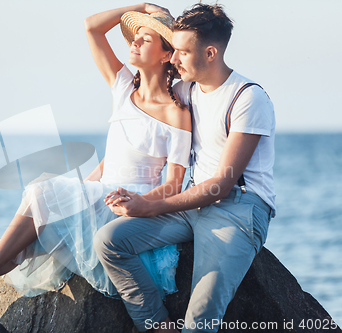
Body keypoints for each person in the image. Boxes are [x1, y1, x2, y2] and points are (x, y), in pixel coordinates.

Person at [0, 3, 192, 305]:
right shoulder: (123, 86)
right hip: (99, 192)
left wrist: (139, 203)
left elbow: (174, 186)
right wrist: (141, 6)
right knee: (39, 220)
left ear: (167, 54)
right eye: (135, 36)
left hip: (129, 202)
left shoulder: (176, 113)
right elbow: (92, 26)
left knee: (40, 195)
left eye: (146, 39)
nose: (135, 42)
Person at [95, 3, 276, 333]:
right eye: (173, 51)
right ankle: (157, 325)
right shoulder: (186, 90)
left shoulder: (248, 98)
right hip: (190, 205)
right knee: (109, 240)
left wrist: (149, 206)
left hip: (235, 210)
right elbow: (144, 112)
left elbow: (222, 184)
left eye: (181, 51)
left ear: (209, 53)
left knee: (200, 321)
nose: (174, 60)